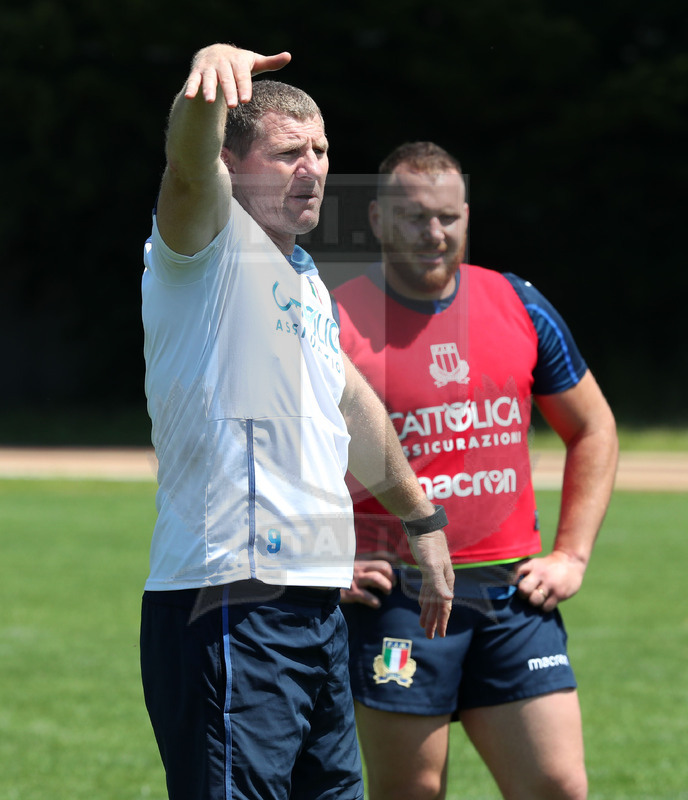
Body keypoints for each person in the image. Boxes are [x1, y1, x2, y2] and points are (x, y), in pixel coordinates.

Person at [139, 49, 454, 800]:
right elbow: (187, 166)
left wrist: (422, 517)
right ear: (233, 163)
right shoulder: (203, 252)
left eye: (320, 151)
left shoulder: (304, 278)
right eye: (288, 154)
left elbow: (348, 402)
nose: (312, 169)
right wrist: (206, 79)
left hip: (315, 606)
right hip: (230, 602)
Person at [333, 141, 618, 800]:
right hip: (396, 599)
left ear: (466, 214)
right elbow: (268, 451)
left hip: (514, 596)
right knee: (414, 792)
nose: (434, 234)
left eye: (448, 217)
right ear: (377, 220)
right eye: (413, 217)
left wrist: (572, 554)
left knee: (557, 786)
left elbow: (594, 428)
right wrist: (317, 554)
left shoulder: (516, 302)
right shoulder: (334, 318)